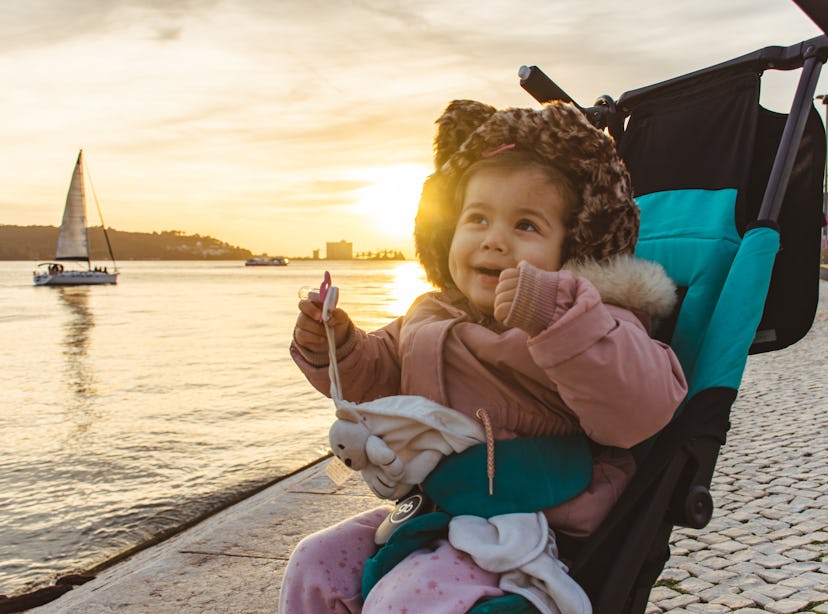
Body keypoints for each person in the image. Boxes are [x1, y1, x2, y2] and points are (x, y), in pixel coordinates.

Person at [282, 100, 688, 613]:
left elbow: (640, 407)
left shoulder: (593, 320)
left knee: (404, 599)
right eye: (477, 218)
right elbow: (379, 371)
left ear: (573, 248)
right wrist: (335, 346)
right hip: (440, 509)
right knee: (315, 561)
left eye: (526, 226)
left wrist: (553, 311)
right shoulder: (428, 314)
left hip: (532, 525)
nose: (494, 240)